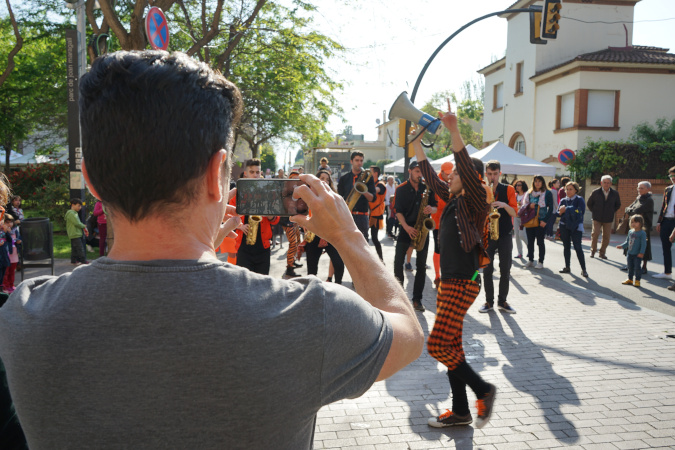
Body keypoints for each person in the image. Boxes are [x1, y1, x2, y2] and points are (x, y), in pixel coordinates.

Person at [0, 50, 424, 449]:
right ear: (218, 172)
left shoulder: (20, 318)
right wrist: (349, 237)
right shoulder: (308, 314)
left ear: (91, 180)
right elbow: (407, 335)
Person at [414, 101, 497, 429]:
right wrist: (418, 147)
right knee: (451, 347)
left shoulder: (477, 199)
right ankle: (461, 411)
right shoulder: (455, 200)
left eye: (457, 172)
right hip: (450, 280)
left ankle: (483, 389)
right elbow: (433, 179)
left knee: (436, 345)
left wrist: (453, 130)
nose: (451, 175)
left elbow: (464, 161)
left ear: (472, 178)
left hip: (463, 281)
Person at [393, 161, 437, 312]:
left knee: (421, 267)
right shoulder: (401, 189)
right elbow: (398, 211)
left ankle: (417, 299)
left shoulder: (427, 188)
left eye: (422, 172)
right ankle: (400, 298)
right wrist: (406, 227)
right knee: (398, 262)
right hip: (406, 228)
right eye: (417, 171)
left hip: (422, 230)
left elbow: (435, 206)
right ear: (410, 171)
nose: (420, 175)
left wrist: (432, 208)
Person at [479, 160, 517, 314]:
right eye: (489, 174)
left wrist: (504, 204)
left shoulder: (508, 189)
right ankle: (489, 301)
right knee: (487, 270)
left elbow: (514, 212)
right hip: (488, 234)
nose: (492, 177)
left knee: (505, 269)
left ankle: (503, 301)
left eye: (495, 174)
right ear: (486, 174)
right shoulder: (482, 190)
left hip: (505, 234)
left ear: (499, 173)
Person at [235, 158, 280, 276]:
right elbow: (228, 214)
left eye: (258, 172)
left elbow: (276, 220)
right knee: (243, 285)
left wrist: (270, 216)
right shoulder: (238, 192)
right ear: (245, 173)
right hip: (243, 248)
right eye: (252, 172)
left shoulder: (269, 192)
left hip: (263, 248)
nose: (255, 175)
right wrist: (239, 226)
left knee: (262, 286)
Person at [304, 169, 345, 284]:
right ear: (316, 180)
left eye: (327, 180)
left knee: (339, 263)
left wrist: (325, 236)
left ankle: (338, 288)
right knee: (311, 271)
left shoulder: (334, 197)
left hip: (330, 236)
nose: (325, 181)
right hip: (313, 236)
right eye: (322, 178)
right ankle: (312, 292)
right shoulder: (308, 195)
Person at [337, 151, 376, 239]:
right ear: (351, 161)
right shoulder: (344, 178)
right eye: (357, 160)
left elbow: (372, 198)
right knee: (346, 242)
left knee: (362, 244)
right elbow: (339, 198)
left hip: (362, 216)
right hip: (347, 215)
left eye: (361, 161)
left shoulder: (368, 178)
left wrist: (363, 190)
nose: (359, 163)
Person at [620, 181, 654, 274]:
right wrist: (631, 210)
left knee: (644, 246)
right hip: (634, 226)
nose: (639, 190)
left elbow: (637, 210)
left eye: (641, 188)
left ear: (648, 189)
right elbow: (628, 209)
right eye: (638, 188)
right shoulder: (638, 198)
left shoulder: (649, 200)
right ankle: (630, 265)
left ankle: (644, 267)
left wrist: (631, 210)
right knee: (631, 244)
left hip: (644, 227)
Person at [557, 181, 588, 277]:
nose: (568, 191)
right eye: (567, 189)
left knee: (578, 247)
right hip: (564, 226)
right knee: (566, 246)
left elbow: (580, 211)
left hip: (576, 227)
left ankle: (584, 269)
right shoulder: (563, 200)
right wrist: (560, 211)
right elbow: (558, 213)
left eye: (571, 189)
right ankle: (567, 267)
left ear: (576, 190)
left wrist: (566, 209)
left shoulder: (579, 199)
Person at [586, 175, 621, 259]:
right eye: (604, 182)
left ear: (611, 183)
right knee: (595, 234)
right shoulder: (595, 192)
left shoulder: (615, 193)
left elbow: (618, 205)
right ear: (601, 183)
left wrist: (611, 211)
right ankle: (593, 251)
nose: (606, 184)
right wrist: (595, 211)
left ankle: (602, 253)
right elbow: (589, 203)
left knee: (606, 237)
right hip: (597, 217)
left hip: (608, 218)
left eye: (608, 183)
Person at [521, 175, 552, 269]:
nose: (537, 183)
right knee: (530, 242)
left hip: (541, 221)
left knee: (540, 242)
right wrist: (529, 206)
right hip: (530, 220)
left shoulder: (547, 193)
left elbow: (550, 208)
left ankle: (540, 261)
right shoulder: (529, 193)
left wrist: (545, 221)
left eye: (539, 181)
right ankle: (530, 260)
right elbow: (524, 206)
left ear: (543, 183)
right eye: (535, 181)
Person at [431, 162, 453, 289]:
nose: (450, 176)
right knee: (438, 249)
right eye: (448, 174)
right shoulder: (437, 184)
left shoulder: (451, 180)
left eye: (451, 173)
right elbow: (438, 203)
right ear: (442, 172)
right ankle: (437, 276)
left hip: (449, 222)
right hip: (438, 222)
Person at [654, 166, 675, 281]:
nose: (672, 178)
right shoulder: (668, 189)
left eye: (674, 176)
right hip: (666, 221)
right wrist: (659, 222)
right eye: (671, 176)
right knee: (665, 247)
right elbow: (663, 206)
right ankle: (667, 272)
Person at [617, 214, 647, 287]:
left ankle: (637, 280)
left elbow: (644, 244)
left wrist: (641, 253)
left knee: (637, 268)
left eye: (636, 222)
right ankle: (630, 279)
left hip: (637, 254)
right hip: (630, 253)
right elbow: (627, 242)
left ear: (640, 223)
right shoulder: (630, 232)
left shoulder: (642, 233)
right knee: (630, 267)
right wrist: (622, 246)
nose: (633, 224)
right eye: (632, 222)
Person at [368, 166, 386, 261]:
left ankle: (380, 258)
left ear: (375, 173)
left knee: (374, 238)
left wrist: (365, 190)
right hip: (367, 213)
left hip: (376, 213)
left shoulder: (381, 184)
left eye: (370, 172)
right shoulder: (370, 184)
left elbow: (376, 190)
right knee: (364, 237)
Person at [65, 198, 89, 265]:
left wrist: (82, 225)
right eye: (78, 206)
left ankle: (73, 260)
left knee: (75, 248)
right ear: (73, 205)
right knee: (79, 248)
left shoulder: (73, 213)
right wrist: (84, 226)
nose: (80, 207)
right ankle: (83, 260)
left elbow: (77, 222)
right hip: (75, 233)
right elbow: (77, 223)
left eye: (80, 206)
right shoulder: (72, 214)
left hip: (74, 233)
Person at [2, 216, 20, 293]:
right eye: (7, 222)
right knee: (6, 272)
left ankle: (11, 285)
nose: (9, 224)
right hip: (7, 255)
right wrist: (6, 232)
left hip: (14, 254)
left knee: (12, 271)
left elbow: (19, 238)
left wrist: (19, 241)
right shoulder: (3, 232)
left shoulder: (15, 231)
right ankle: (5, 286)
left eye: (11, 222)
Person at [512, 179, 528, 258]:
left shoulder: (526, 194)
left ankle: (530, 249)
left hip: (524, 217)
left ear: (523, 186)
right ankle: (520, 253)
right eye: (516, 185)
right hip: (516, 216)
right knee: (517, 235)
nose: (517, 187)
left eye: (519, 185)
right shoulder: (515, 195)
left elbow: (528, 205)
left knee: (522, 235)